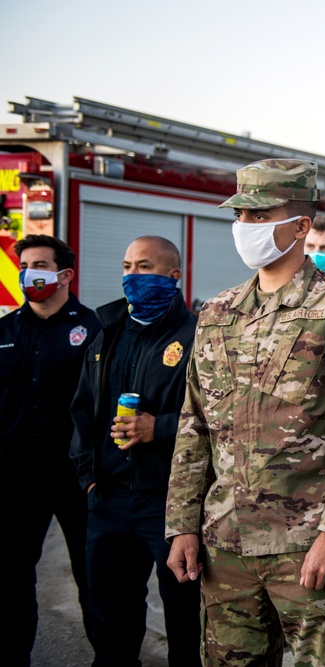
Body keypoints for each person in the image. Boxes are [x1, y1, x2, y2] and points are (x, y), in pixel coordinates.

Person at [165, 159, 325, 666]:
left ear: (301, 226)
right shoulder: (218, 313)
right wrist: (182, 525)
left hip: (309, 546)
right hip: (226, 545)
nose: (245, 227)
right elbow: (194, 426)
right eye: (240, 215)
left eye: (259, 214)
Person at [69, 235, 200, 667]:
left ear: (173, 276)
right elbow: (84, 410)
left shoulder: (197, 336)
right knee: (110, 618)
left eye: (144, 267)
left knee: (186, 619)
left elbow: (222, 419)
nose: (131, 276)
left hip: (169, 502)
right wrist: (88, 477)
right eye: (127, 266)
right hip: (108, 498)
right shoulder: (107, 332)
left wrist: (157, 428)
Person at [2, 234, 99, 666]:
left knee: (93, 575)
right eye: (23, 265)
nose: (28, 273)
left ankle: (110, 657)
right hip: (16, 476)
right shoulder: (5, 331)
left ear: (65, 274)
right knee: (11, 577)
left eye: (39, 264)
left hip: (77, 476)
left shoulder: (95, 330)